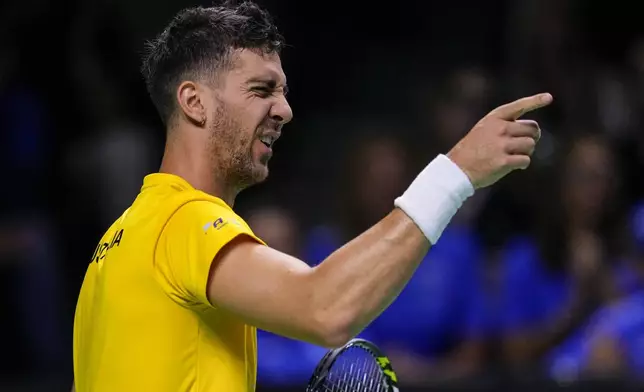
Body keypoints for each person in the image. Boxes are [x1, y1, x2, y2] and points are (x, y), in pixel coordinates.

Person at [71, 2, 552, 391]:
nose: (285, 110)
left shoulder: (117, 244)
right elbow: (325, 307)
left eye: (283, 92)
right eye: (262, 90)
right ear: (194, 101)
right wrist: (456, 172)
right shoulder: (185, 221)